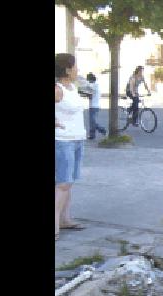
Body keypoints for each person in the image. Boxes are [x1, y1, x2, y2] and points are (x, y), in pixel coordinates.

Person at [55, 53, 88, 241]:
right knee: (62, 183)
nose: (78, 70)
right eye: (75, 66)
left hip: (77, 139)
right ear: (67, 69)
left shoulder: (72, 88)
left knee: (69, 182)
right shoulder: (58, 89)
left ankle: (65, 219)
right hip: (63, 141)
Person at [85, 73, 107, 140]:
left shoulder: (93, 86)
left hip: (94, 106)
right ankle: (92, 135)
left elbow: (90, 95)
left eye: (88, 79)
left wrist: (85, 93)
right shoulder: (96, 85)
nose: (88, 81)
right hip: (95, 105)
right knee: (92, 121)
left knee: (92, 121)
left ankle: (102, 129)